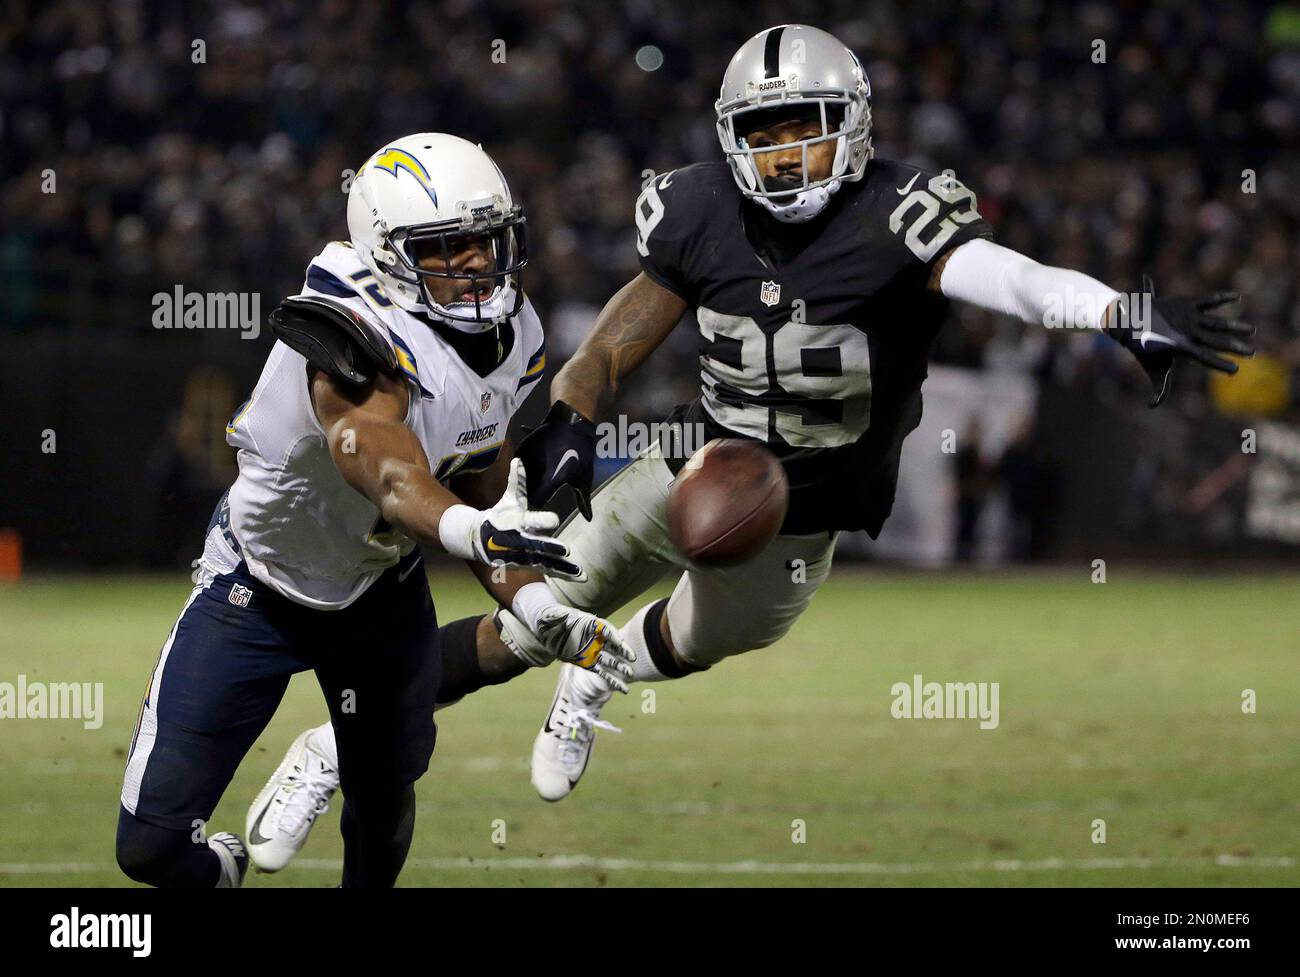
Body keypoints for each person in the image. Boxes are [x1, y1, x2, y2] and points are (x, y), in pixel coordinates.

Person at [508, 24, 1254, 801]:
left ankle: (589, 682)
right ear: (731, 139)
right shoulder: (699, 205)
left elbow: (1018, 281)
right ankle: (402, 706)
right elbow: (615, 336)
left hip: (811, 505)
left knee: (701, 637)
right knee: (528, 614)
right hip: (700, 456)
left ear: (855, 125)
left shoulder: (900, 212)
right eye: (766, 132)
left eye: (806, 127)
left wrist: (1118, 310)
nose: (787, 154)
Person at [115, 133, 631, 888]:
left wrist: (538, 602)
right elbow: (384, 467)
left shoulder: (512, 332)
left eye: (484, 242)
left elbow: (480, 482)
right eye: (445, 249)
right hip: (256, 589)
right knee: (149, 849)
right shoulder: (345, 323)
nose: (476, 264)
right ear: (389, 254)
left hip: (380, 596)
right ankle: (223, 871)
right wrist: (469, 529)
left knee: (382, 804)